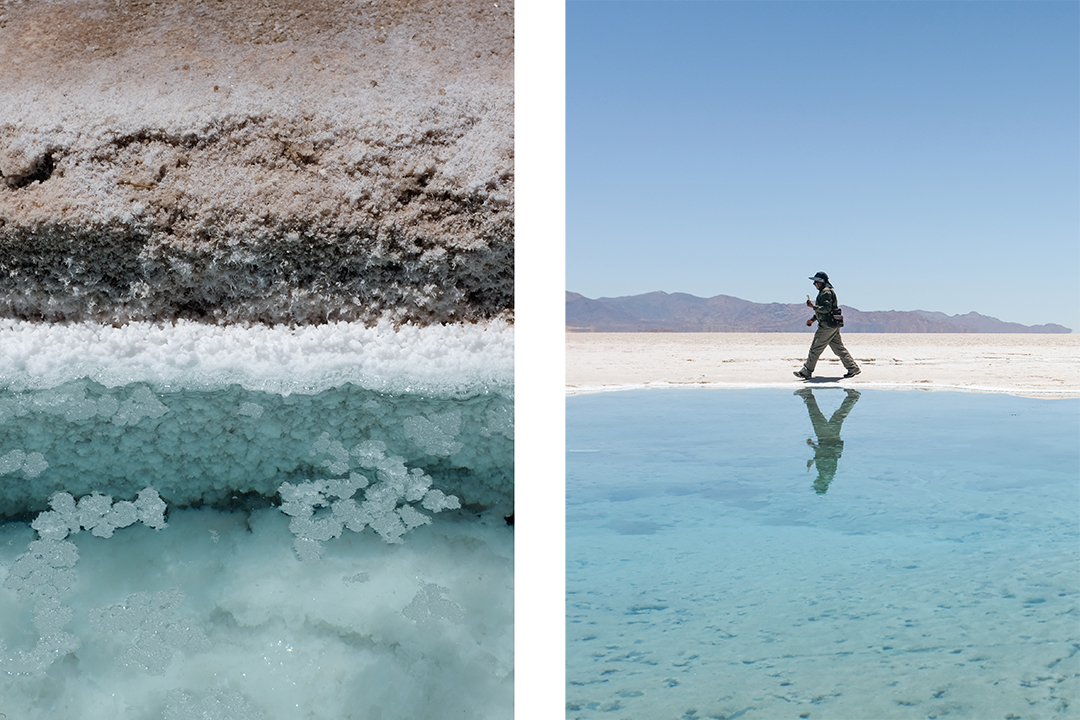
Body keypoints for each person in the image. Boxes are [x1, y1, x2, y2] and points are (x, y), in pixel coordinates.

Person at [794, 272, 860, 380]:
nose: (814, 284)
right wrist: (813, 319)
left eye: (816, 281)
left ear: (821, 282)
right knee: (838, 349)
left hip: (827, 326)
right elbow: (824, 310)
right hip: (832, 325)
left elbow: (826, 309)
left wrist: (813, 307)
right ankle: (853, 368)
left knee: (815, 348)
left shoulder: (826, 292)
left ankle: (806, 371)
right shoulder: (824, 292)